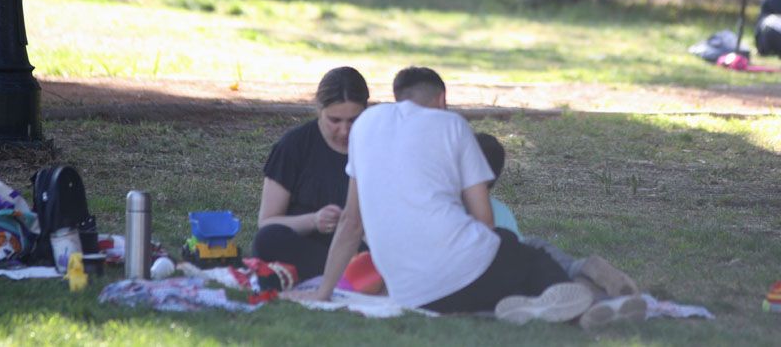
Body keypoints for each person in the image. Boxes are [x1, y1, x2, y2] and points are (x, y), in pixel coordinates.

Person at [314, 67, 595, 324]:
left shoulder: (364, 126)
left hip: (410, 295)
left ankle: (525, 303)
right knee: (526, 254)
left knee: (501, 261)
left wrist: (323, 292)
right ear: (441, 99)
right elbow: (484, 219)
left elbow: (351, 222)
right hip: (463, 277)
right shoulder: (451, 124)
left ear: (398, 97)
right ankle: (579, 309)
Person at [475, 132, 645, 329]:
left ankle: (590, 299)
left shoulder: (457, 206)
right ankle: (592, 274)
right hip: (530, 256)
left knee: (550, 277)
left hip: (513, 266)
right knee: (555, 261)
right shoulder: (500, 209)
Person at [252, 66, 369, 281]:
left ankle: (353, 271)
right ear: (319, 109)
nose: (344, 131)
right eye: (335, 120)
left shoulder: (376, 146)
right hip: (308, 243)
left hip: (359, 244)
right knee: (267, 239)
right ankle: (349, 273)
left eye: (353, 120)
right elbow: (267, 222)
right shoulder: (294, 145)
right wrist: (315, 221)